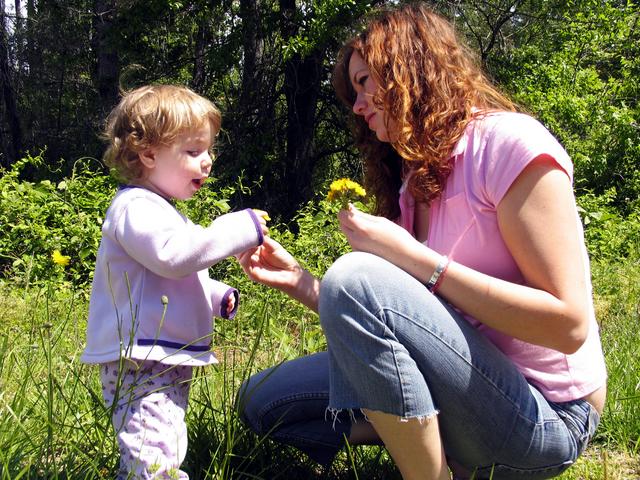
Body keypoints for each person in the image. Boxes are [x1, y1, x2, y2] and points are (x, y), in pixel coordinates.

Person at [236, 4, 606, 480]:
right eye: (352, 90)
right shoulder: (414, 181)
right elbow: (407, 324)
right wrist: (302, 283)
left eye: (366, 81)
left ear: (412, 68)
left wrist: (414, 258)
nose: (356, 104)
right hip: (462, 392)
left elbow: (569, 326)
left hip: (545, 417)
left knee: (355, 275)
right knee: (263, 403)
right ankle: (431, 448)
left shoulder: (509, 146)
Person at [81, 84, 268, 479]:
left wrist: (216, 296)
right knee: (154, 452)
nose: (208, 162)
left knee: (163, 441)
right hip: (139, 358)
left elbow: (173, 272)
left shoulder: (162, 211)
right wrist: (237, 228)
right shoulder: (134, 207)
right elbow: (173, 257)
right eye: (193, 151)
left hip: (162, 357)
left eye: (209, 151)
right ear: (148, 154)